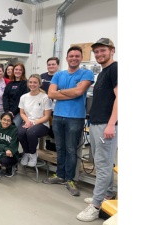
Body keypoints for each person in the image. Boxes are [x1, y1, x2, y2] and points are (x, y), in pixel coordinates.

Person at [43, 46, 94, 197]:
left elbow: (79, 92)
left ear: (81, 58)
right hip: (58, 116)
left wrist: (60, 92)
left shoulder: (87, 73)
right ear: (66, 58)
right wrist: (71, 93)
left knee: (71, 149)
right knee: (60, 147)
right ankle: (60, 175)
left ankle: (70, 179)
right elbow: (50, 93)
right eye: (71, 56)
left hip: (75, 117)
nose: (73, 58)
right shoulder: (59, 74)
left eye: (77, 56)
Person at [76, 38, 118, 222]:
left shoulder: (116, 69)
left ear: (112, 50)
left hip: (106, 125)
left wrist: (111, 124)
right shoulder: (103, 73)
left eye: (103, 51)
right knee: (103, 163)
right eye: (97, 52)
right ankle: (107, 194)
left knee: (103, 165)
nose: (99, 54)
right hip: (96, 123)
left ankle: (95, 205)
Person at [18, 74, 53, 167]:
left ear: (39, 84)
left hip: (42, 123)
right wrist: (28, 121)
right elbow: (22, 113)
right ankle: (26, 152)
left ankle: (33, 154)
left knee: (31, 133)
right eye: (30, 82)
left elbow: (47, 116)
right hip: (27, 122)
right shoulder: (24, 97)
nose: (32, 84)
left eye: (35, 82)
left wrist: (33, 123)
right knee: (20, 133)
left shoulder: (45, 97)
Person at [0, 112, 20, 178]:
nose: (6, 122)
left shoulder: (14, 130)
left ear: (11, 121)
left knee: (3, 160)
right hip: (5, 150)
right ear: (0, 119)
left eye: (8, 120)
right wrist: (5, 149)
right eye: (4, 119)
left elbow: (13, 148)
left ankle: (10, 166)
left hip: (12, 154)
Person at [40, 57, 60, 151]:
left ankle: (54, 151)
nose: (51, 66)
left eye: (53, 64)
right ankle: (47, 149)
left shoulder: (61, 76)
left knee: (54, 130)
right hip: (43, 108)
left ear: (58, 65)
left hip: (56, 109)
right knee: (46, 130)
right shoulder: (42, 77)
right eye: (49, 64)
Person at [3, 62, 29, 128]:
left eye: (20, 70)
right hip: (8, 111)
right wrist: (7, 111)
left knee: (14, 127)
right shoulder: (10, 83)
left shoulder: (25, 84)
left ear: (23, 72)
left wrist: (13, 112)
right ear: (13, 71)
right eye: (16, 69)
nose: (18, 71)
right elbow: (5, 97)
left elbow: (20, 100)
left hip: (19, 111)